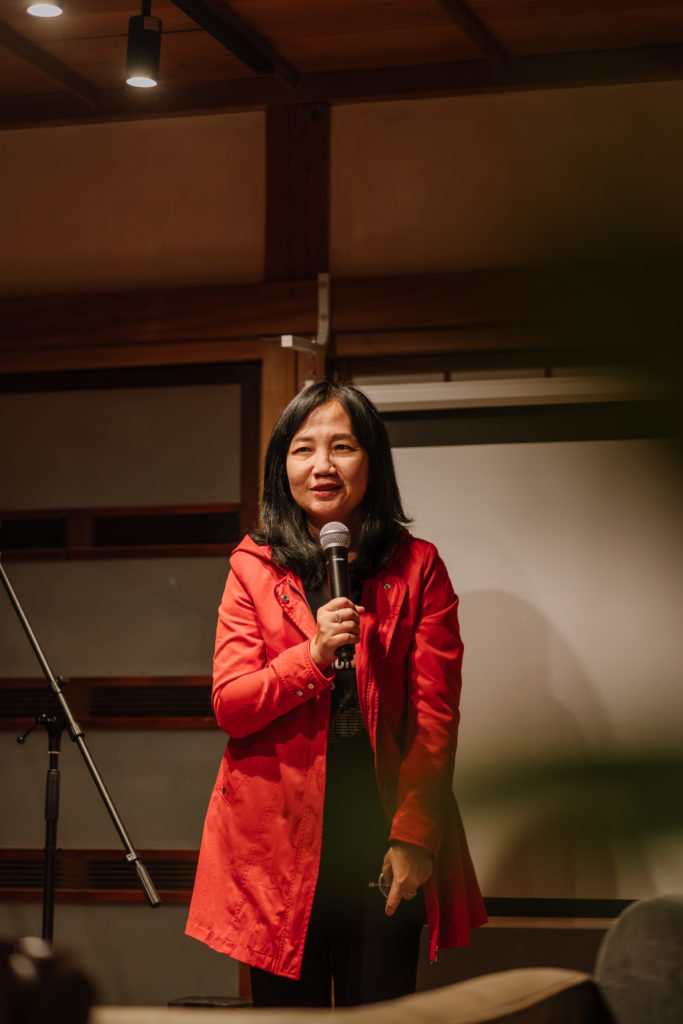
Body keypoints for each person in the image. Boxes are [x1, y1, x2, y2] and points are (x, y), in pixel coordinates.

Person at [186, 381, 486, 1006]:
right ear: (283, 467)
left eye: (342, 446)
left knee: (380, 1014)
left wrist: (414, 837)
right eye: (303, 449)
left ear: (372, 462)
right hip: (275, 847)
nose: (322, 465)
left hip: (379, 834)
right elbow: (232, 706)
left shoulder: (419, 567)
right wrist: (313, 656)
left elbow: (434, 721)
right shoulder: (253, 565)